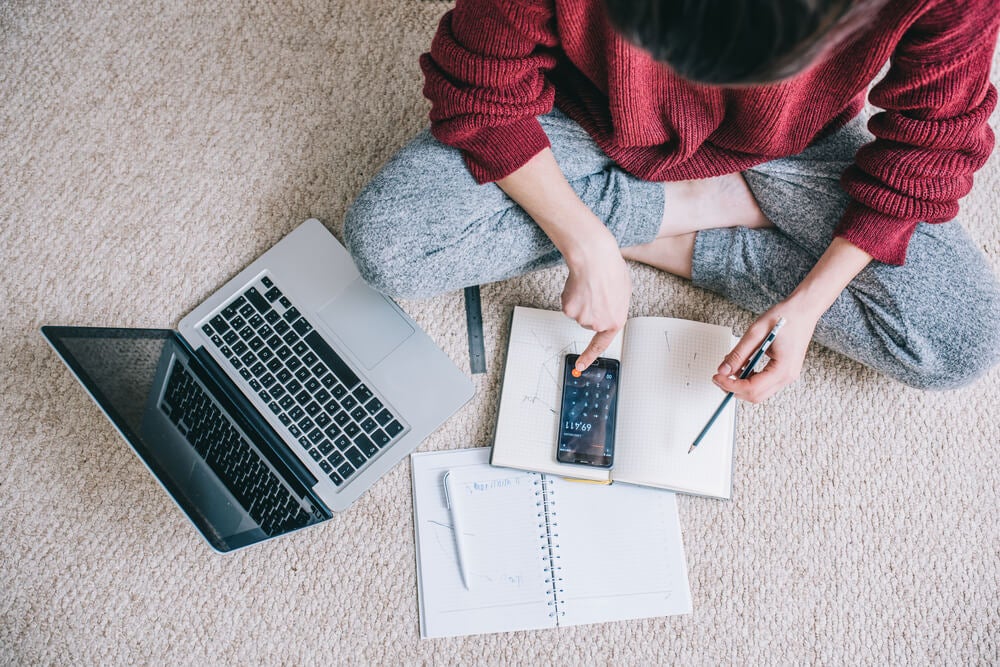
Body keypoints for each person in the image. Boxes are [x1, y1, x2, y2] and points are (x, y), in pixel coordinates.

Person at [344, 0, 1000, 402]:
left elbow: (931, 150)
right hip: (578, 112)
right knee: (390, 246)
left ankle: (681, 210)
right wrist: (585, 241)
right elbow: (478, 90)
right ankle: (692, 205)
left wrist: (809, 304)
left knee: (961, 338)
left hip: (786, 145)